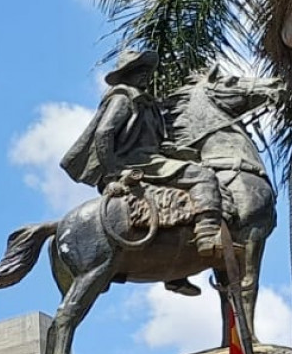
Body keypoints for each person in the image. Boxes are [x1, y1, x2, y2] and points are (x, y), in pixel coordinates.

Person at [61, 48, 226, 279]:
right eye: (138, 69)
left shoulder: (148, 104)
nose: (144, 74)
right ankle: (207, 233)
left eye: (146, 70)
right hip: (138, 163)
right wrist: (115, 171)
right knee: (203, 176)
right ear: (127, 73)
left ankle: (176, 275)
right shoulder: (123, 97)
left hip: (152, 159)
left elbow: (155, 142)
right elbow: (104, 133)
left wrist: (179, 151)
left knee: (179, 196)